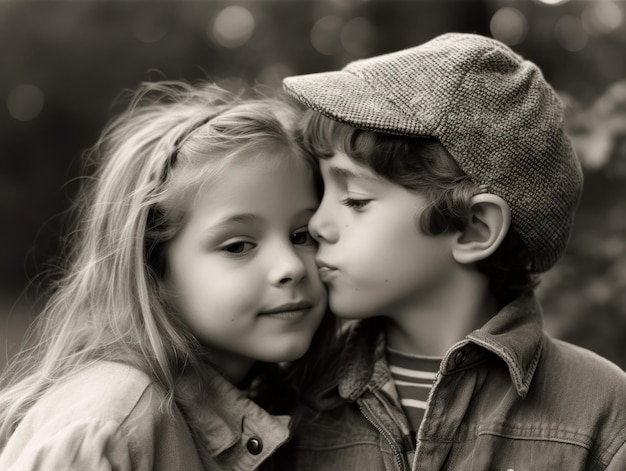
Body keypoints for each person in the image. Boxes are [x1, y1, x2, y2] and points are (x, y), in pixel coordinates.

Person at [271, 33, 626, 470]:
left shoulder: (605, 412)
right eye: (321, 192)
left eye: (356, 200)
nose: (317, 224)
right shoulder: (287, 396)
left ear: (473, 229)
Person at [0, 80, 336, 470]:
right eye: (239, 245)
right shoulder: (111, 418)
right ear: (151, 266)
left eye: (301, 235)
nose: (291, 267)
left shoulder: (273, 401)